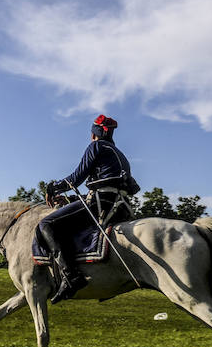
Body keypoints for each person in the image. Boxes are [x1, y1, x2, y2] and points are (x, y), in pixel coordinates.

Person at [37, 114, 138, 304]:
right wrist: (73, 199)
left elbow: (75, 179)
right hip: (118, 205)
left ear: (95, 134)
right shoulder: (119, 153)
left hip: (101, 204)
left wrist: (53, 187)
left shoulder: (96, 146)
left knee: (46, 224)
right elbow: (106, 186)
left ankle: (71, 277)